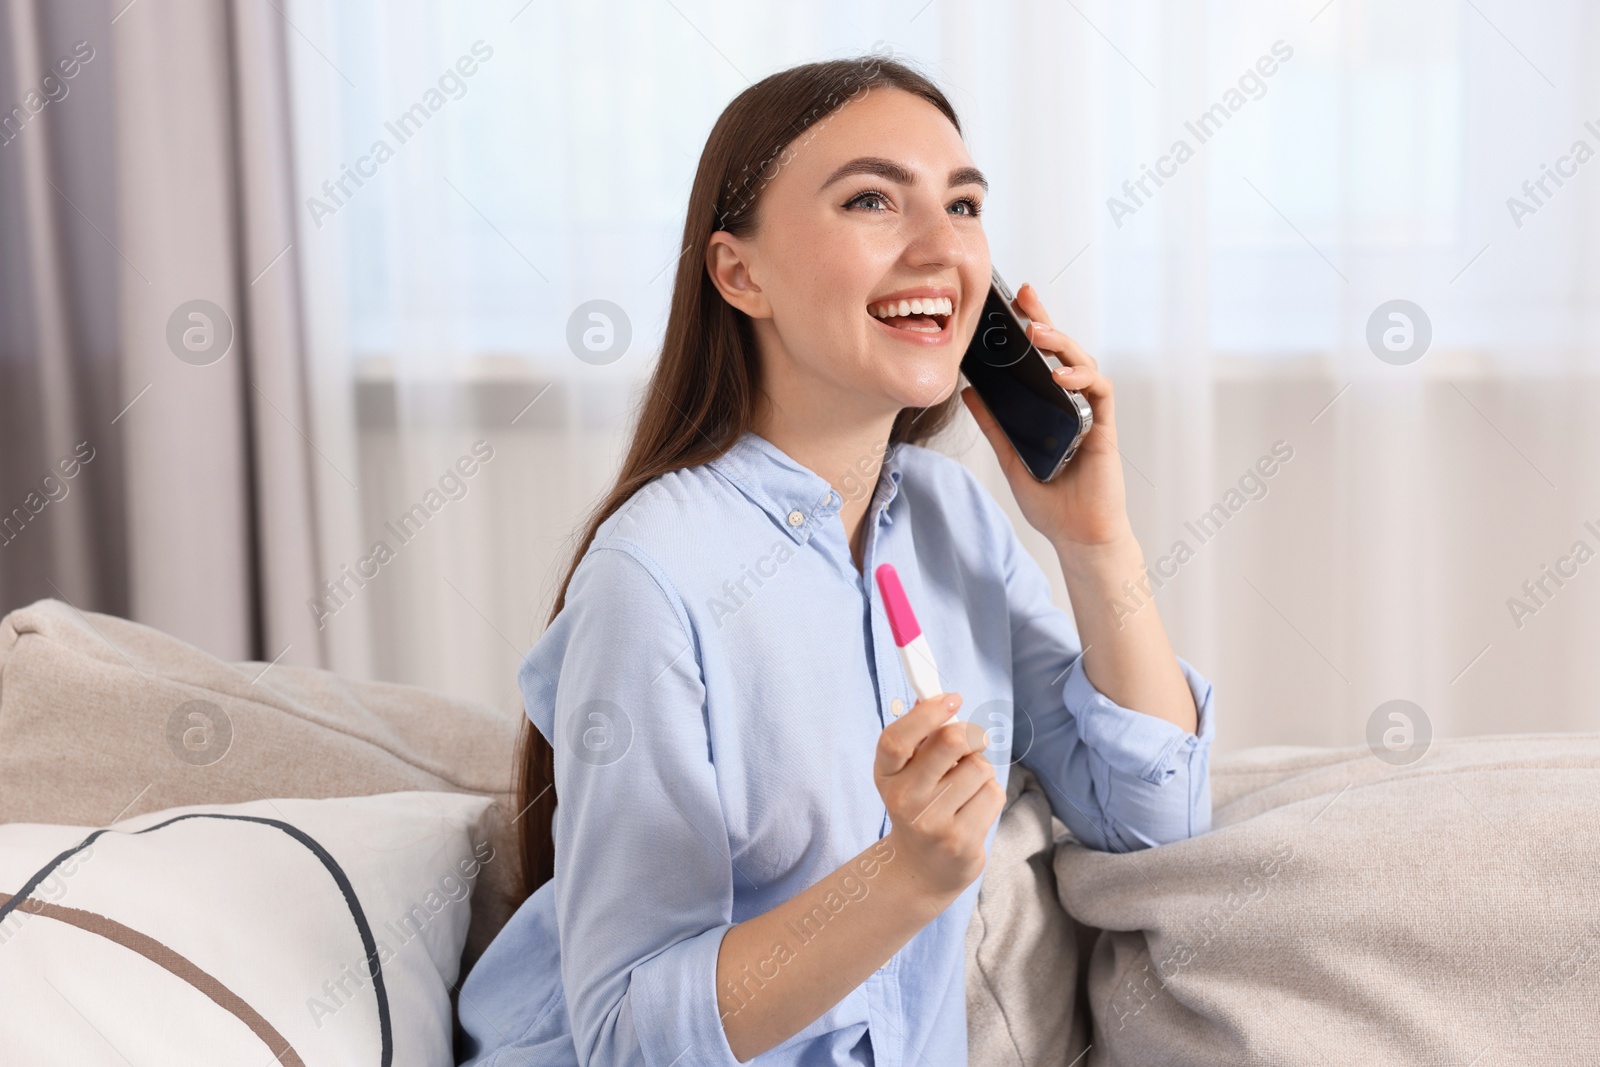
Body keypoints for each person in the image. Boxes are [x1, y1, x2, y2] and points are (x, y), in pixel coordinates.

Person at [457, 52, 1214, 1066]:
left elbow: (1153, 818)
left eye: (963, 205)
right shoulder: (654, 576)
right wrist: (901, 876)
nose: (941, 250)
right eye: (871, 200)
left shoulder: (953, 519)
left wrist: (1094, 541)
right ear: (740, 272)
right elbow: (626, 1034)